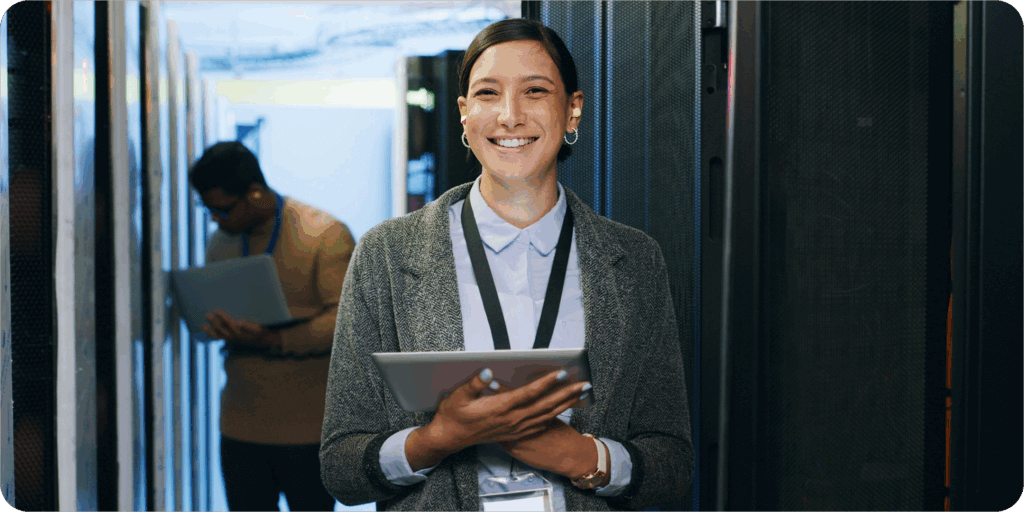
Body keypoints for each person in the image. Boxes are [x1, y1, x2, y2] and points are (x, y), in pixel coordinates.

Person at [320, 18, 693, 511]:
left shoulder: (635, 261)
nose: (510, 116)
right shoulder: (386, 255)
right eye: (488, 94)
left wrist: (583, 455)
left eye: (535, 91)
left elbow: (672, 464)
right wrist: (438, 438)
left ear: (573, 111)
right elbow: (341, 469)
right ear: (464, 114)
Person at [189, 141, 355, 511]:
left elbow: (345, 322)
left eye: (223, 209)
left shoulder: (324, 234)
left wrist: (273, 338)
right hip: (239, 426)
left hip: (307, 431)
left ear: (255, 192)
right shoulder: (223, 240)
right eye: (209, 210)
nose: (216, 220)